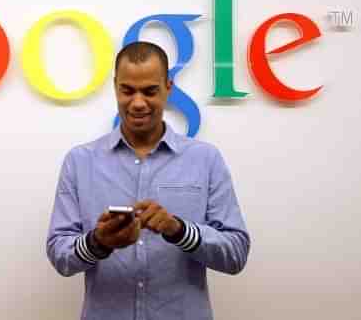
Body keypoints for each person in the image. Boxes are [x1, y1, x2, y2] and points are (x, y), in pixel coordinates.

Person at [46, 41, 250, 320]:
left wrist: (179, 230)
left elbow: (236, 254)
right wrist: (98, 242)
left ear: (169, 87)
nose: (138, 102)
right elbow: (60, 255)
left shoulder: (205, 159)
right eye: (127, 90)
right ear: (115, 87)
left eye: (150, 91)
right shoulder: (80, 162)